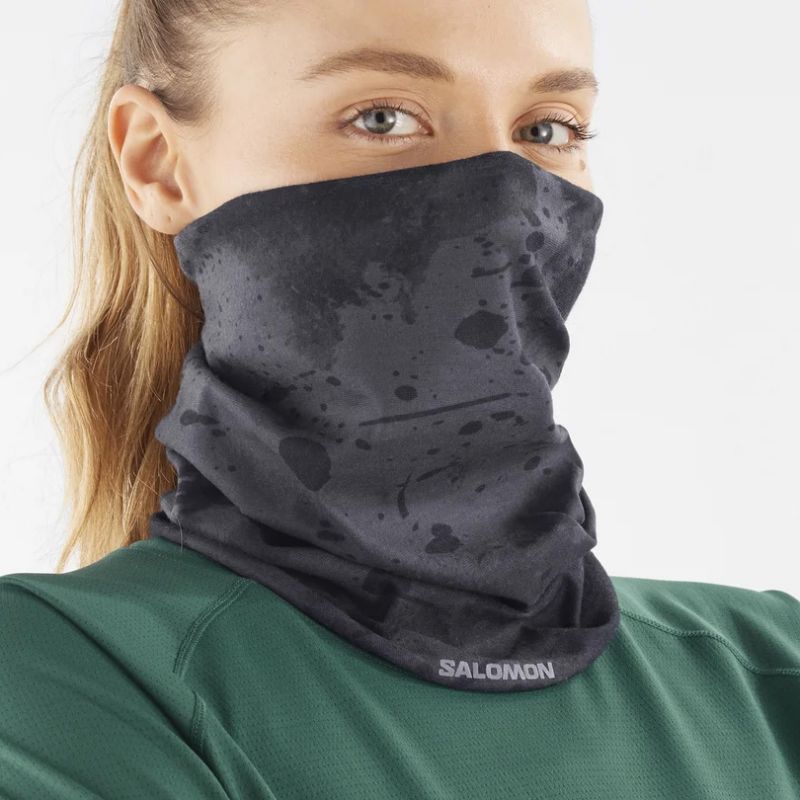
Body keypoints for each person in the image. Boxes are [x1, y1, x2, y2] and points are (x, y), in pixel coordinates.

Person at [1, 0, 798, 797]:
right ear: (159, 164)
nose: (504, 200)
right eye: (381, 117)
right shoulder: (63, 680)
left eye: (547, 128)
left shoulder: (770, 672)